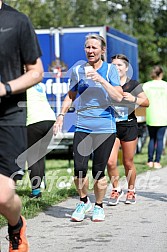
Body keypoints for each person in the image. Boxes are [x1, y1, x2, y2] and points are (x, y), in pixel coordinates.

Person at [53, 34, 123, 222]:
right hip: (83, 126)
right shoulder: (77, 70)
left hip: (105, 128)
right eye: (88, 47)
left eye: (94, 47)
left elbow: (118, 97)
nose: (90, 51)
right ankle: (84, 201)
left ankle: (99, 206)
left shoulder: (110, 70)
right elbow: (70, 95)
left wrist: (100, 79)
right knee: (79, 169)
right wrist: (60, 116)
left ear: (102, 50)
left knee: (98, 171)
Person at [0, 1, 43, 251]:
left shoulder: (17, 21)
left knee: (3, 195)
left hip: (8, 115)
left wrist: (5, 88)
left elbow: (36, 71)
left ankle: (16, 226)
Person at [107, 54, 149, 205]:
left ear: (126, 68)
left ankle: (131, 190)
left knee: (128, 162)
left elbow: (146, 102)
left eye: (119, 65)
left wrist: (133, 99)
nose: (116, 68)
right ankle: (116, 189)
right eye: (113, 65)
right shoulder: (108, 83)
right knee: (110, 162)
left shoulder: (133, 84)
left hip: (129, 125)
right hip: (111, 125)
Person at [27, 83, 56, 199]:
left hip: (34, 120)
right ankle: (41, 184)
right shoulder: (39, 84)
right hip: (49, 119)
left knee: (32, 156)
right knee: (40, 155)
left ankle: (35, 191)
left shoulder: (23, 83)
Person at [143, 65, 167, 169]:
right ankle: (157, 162)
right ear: (161, 74)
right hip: (163, 116)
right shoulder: (166, 85)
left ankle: (149, 161)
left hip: (151, 115)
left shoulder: (146, 85)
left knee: (152, 138)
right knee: (160, 139)